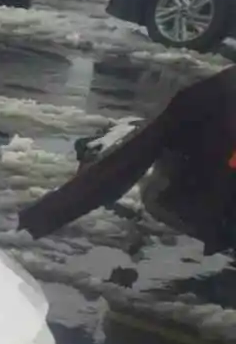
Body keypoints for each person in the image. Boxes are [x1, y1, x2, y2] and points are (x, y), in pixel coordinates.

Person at [19, 64, 236, 254]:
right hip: (201, 201)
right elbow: (127, 161)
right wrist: (41, 219)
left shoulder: (215, 92)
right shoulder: (211, 97)